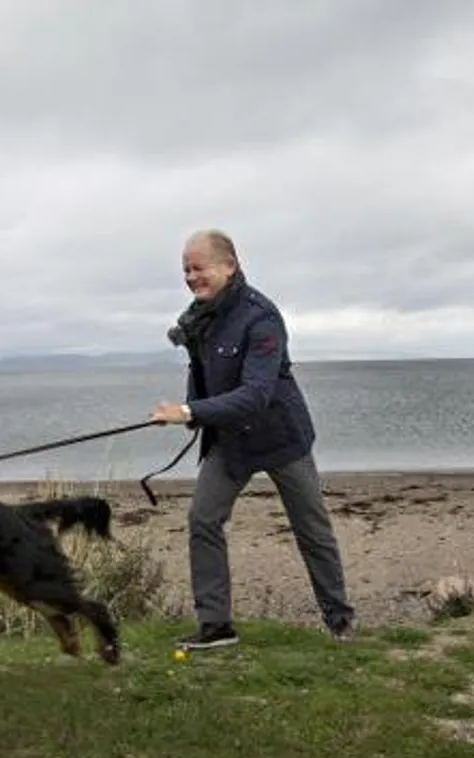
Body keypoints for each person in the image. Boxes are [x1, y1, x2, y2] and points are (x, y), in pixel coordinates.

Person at [150, 229, 356, 649]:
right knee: (203, 519)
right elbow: (202, 374)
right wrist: (190, 413)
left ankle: (340, 622)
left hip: (281, 438)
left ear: (229, 266)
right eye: (186, 270)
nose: (191, 277)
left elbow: (256, 395)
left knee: (312, 529)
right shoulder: (199, 318)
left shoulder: (262, 317)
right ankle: (216, 626)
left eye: (199, 268)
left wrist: (188, 412)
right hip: (231, 442)